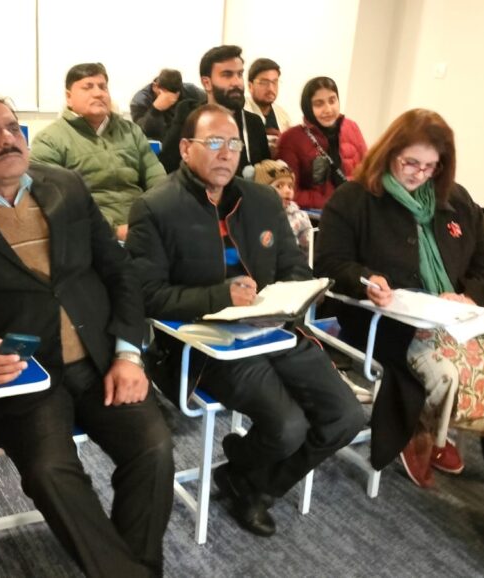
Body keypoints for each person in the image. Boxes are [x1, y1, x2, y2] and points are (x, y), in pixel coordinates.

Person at [0, 96, 174, 577]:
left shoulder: (66, 185)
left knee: (154, 450)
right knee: (50, 472)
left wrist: (129, 354)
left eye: (12, 127)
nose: (7, 138)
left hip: (101, 359)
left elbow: (120, 274)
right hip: (22, 373)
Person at [127, 104, 365, 537]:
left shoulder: (261, 199)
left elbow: (294, 266)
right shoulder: (155, 207)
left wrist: (290, 296)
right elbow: (147, 295)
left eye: (234, 143)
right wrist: (222, 295)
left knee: (345, 417)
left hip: (274, 330)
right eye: (214, 142)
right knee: (288, 426)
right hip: (206, 344)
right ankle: (251, 477)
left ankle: (249, 480)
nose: (226, 153)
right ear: (186, 148)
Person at [313, 109, 484, 489]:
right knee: (446, 374)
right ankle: (424, 426)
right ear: (389, 152)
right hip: (385, 319)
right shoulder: (354, 199)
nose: (419, 174)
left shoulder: (455, 199)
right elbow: (331, 263)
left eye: (431, 166)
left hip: (453, 314)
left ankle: (438, 424)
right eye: (410, 163)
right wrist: (367, 281)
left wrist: (470, 295)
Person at [31, 62, 165, 241]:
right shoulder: (49, 140)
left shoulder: (130, 131)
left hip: (141, 224)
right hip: (91, 235)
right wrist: (113, 231)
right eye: (88, 87)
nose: (98, 93)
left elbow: (156, 178)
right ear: (69, 97)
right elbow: (54, 203)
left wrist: (159, 216)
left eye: (103, 87)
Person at [158, 45, 271, 176]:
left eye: (240, 74)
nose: (237, 82)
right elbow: (166, 167)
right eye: (227, 75)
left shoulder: (254, 123)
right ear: (207, 83)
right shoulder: (189, 116)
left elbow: (267, 175)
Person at [277, 76, 367, 209]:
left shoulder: (351, 127)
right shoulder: (291, 138)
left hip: (353, 209)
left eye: (332, 101)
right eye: (319, 104)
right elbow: (289, 191)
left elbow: (368, 172)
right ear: (307, 106)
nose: (328, 109)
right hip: (315, 215)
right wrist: (331, 202)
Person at [129, 68, 206, 140]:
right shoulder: (140, 100)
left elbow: (208, 103)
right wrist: (155, 110)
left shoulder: (191, 91)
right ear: (155, 87)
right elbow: (142, 132)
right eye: (165, 94)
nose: (172, 100)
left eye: (175, 95)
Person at [252, 159, 310, 251]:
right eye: (279, 186)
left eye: (290, 186)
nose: (288, 191)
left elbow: (310, 248)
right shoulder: (252, 217)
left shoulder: (299, 217)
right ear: (261, 190)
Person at [244, 58, 292, 155]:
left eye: (274, 82)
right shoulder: (241, 111)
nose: (271, 88)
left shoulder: (283, 115)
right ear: (250, 86)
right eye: (264, 82)